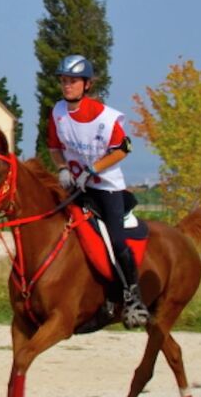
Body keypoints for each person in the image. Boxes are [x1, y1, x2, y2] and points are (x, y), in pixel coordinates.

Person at [47, 53, 149, 328]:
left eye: (73, 81)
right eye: (64, 80)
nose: (67, 85)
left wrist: (94, 169)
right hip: (76, 187)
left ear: (87, 85)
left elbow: (124, 148)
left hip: (106, 188)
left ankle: (133, 296)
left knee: (115, 241)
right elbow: (55, 149)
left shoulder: (105, 117)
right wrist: (62, 169)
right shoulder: (57, 113)